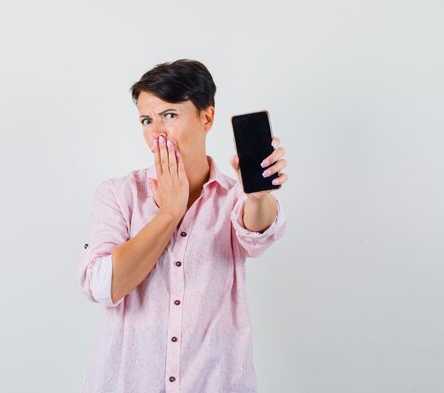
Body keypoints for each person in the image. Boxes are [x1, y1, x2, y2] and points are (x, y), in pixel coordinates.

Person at [77, 59, 289, 393]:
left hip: (215, 382)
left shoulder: (233, 198)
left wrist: (259, 198)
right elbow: (103, 286)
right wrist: (168, 214)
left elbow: (257, 236)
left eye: (170, 116)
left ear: (207, 117)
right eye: (147, 120)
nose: (156, 133)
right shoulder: (118, 195)